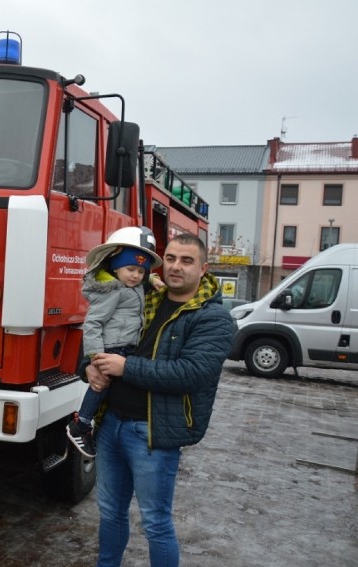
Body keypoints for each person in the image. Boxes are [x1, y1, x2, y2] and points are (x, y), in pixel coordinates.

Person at [85, 232, 234, 567]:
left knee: (155, 522)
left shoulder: (213, 318)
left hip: (153, 433)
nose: (175, 267)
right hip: (111, 425)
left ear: (204, 268)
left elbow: (191, 373)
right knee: (110, 513)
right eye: (170, 258)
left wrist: (126, 367)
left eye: (186, 260)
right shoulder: (145, 297)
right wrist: (89, 368)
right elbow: (108, 334)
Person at [66, 227, 163, 458]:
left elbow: (141, 282)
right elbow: (92, 324)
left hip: (125, 347)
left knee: (111, 388)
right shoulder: (114, 291)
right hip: (111, 348)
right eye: (131, 269)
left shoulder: (134, 284)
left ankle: (98, 426)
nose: (136, 275)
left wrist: (152, 279)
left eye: (141, 271)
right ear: (115, 267)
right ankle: (81, 423)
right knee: (100, 385)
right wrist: (95, 356)